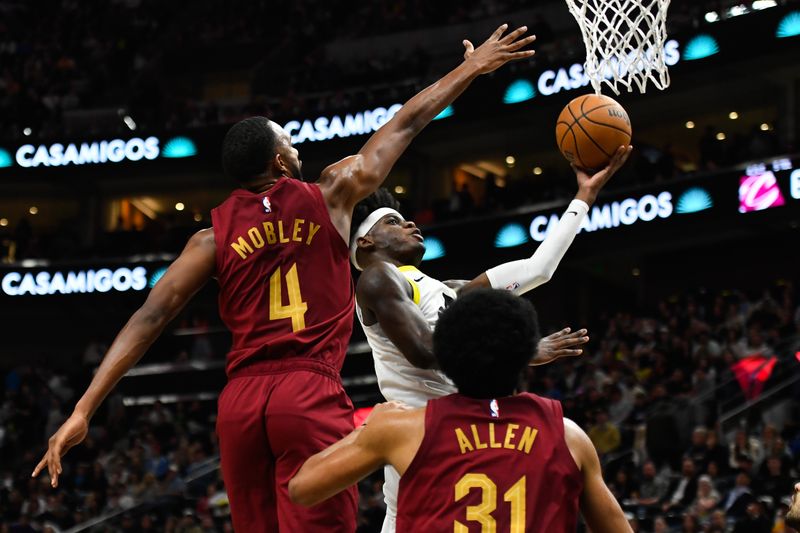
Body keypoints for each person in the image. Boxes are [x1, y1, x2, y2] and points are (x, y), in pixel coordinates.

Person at [31, 24, 537, 532]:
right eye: (291, 144)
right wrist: (471, 67)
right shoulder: (332, 194)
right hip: (307, 388)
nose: (298, 151)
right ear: (279, 161)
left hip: (240, 404)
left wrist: (83, 408)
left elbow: (149, 317)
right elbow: (404, 125)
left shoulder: (210, 238)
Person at [348, 146, 631, 531]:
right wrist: (520, 350)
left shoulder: (449, 291)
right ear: (365, 243)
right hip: (418, 431)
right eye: (395, 222)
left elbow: (538, 269)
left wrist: (584, 197)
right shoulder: (379, 277)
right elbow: (423, 351)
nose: (412, 224)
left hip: (464, 423)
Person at [288, 289, 632, 532]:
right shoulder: (568, 436)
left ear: (446, 358)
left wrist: (367, 428)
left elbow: (302, 489)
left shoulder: (402, 430)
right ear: (526, 358)